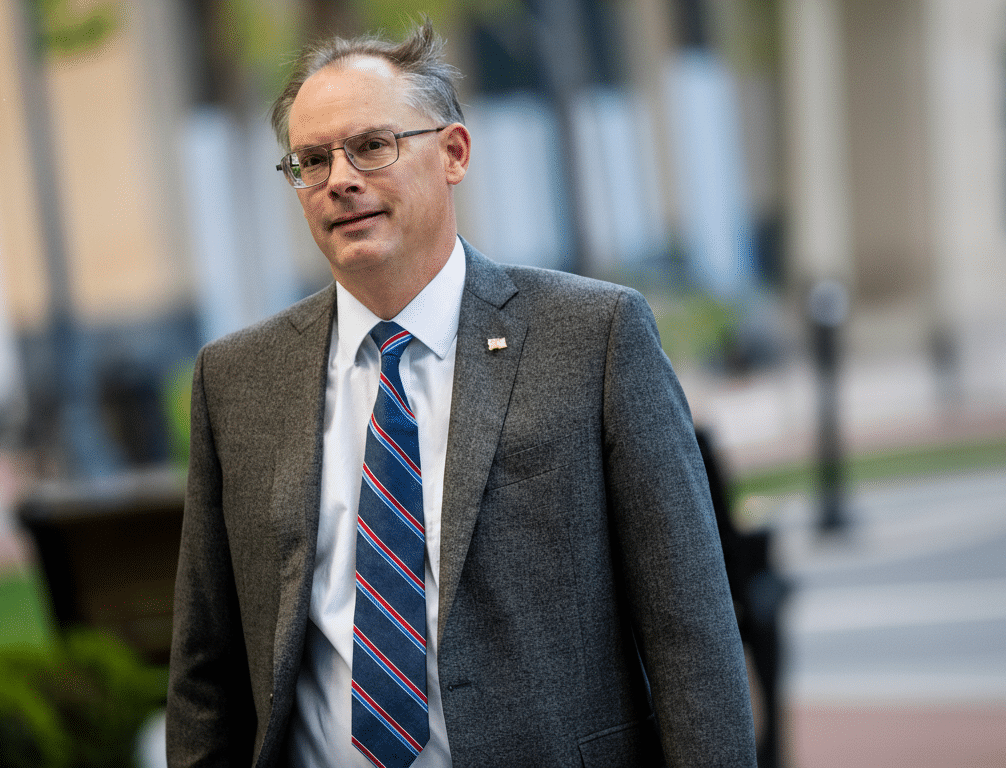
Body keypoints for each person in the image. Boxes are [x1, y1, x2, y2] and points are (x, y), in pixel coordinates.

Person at [166, 20, 756, 768]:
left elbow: (690, 633)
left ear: (453, 152)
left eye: (371, 146)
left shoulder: (595, 337)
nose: (340, 178)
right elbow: (204, 675)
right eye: (311, 161)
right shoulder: (237, 381)